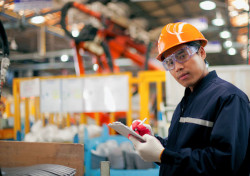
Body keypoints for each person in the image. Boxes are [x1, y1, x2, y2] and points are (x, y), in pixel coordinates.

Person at [129, 22, 250, 176]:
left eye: (182, 55)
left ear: (201, 53)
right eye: (169, 63)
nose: (177, 67)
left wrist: (163, 155)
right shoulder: (186, 101)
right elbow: (181, 147)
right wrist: (153, 141)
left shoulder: (229, 98)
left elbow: (225, 163)